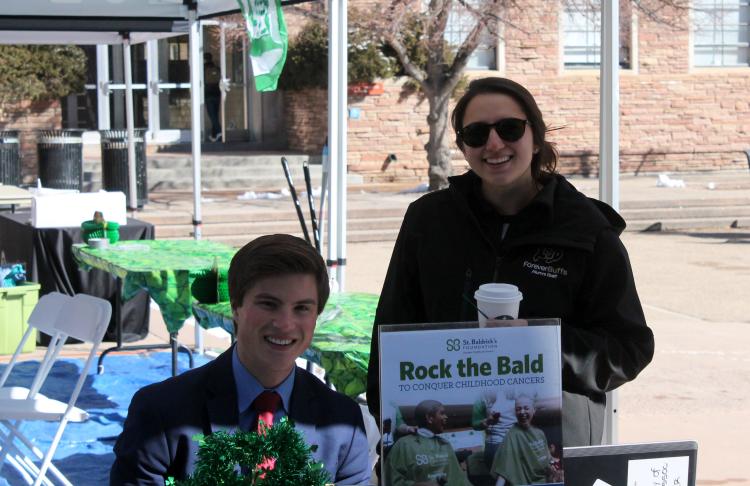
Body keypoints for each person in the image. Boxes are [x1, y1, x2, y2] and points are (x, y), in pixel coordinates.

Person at [367, 77, 655, 446]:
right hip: (449, 440)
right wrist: (389, 432)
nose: (494, 143)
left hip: (553, 446)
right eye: (476, 133)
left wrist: (541, 344)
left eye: (509, 128)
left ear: (535, 137)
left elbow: (629, 348)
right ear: (462, 146)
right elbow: (391, 330)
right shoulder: (429, 221)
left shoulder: (585, 229)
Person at [110, 234, 370, 485]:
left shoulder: (342, 422)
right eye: (269, 304)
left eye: (302, 308)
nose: (285, 323)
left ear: (317, 316)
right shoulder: (161, 413)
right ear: (235, 308)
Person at [385, 400, 471, 486]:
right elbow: (392, 480)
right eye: (442, 413)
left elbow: (459, 479)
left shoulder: (445, 444)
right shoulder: (403, 445)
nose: (446, 417)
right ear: (430, 418)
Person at [490, 395, 559, 486]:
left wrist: (553, 469)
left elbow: (547, 459)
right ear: (515, 413)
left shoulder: (540, 433)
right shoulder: (513, 435)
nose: (522, 412)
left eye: (526, 408)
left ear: (533, 410)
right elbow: (504, 469)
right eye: (518, 409)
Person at [472, 390, 517, 468]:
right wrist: (486, 422)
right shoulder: (482, 395)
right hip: (495, 444)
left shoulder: (517, 389)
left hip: (517, 441)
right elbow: (475, 423)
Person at [203, 52, 222, 142]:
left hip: (208, 94)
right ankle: (214, 135)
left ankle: (219, 132)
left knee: (212, 116)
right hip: (217, 94)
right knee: (215, 115)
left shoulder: (202, 68)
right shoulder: (217, 68)